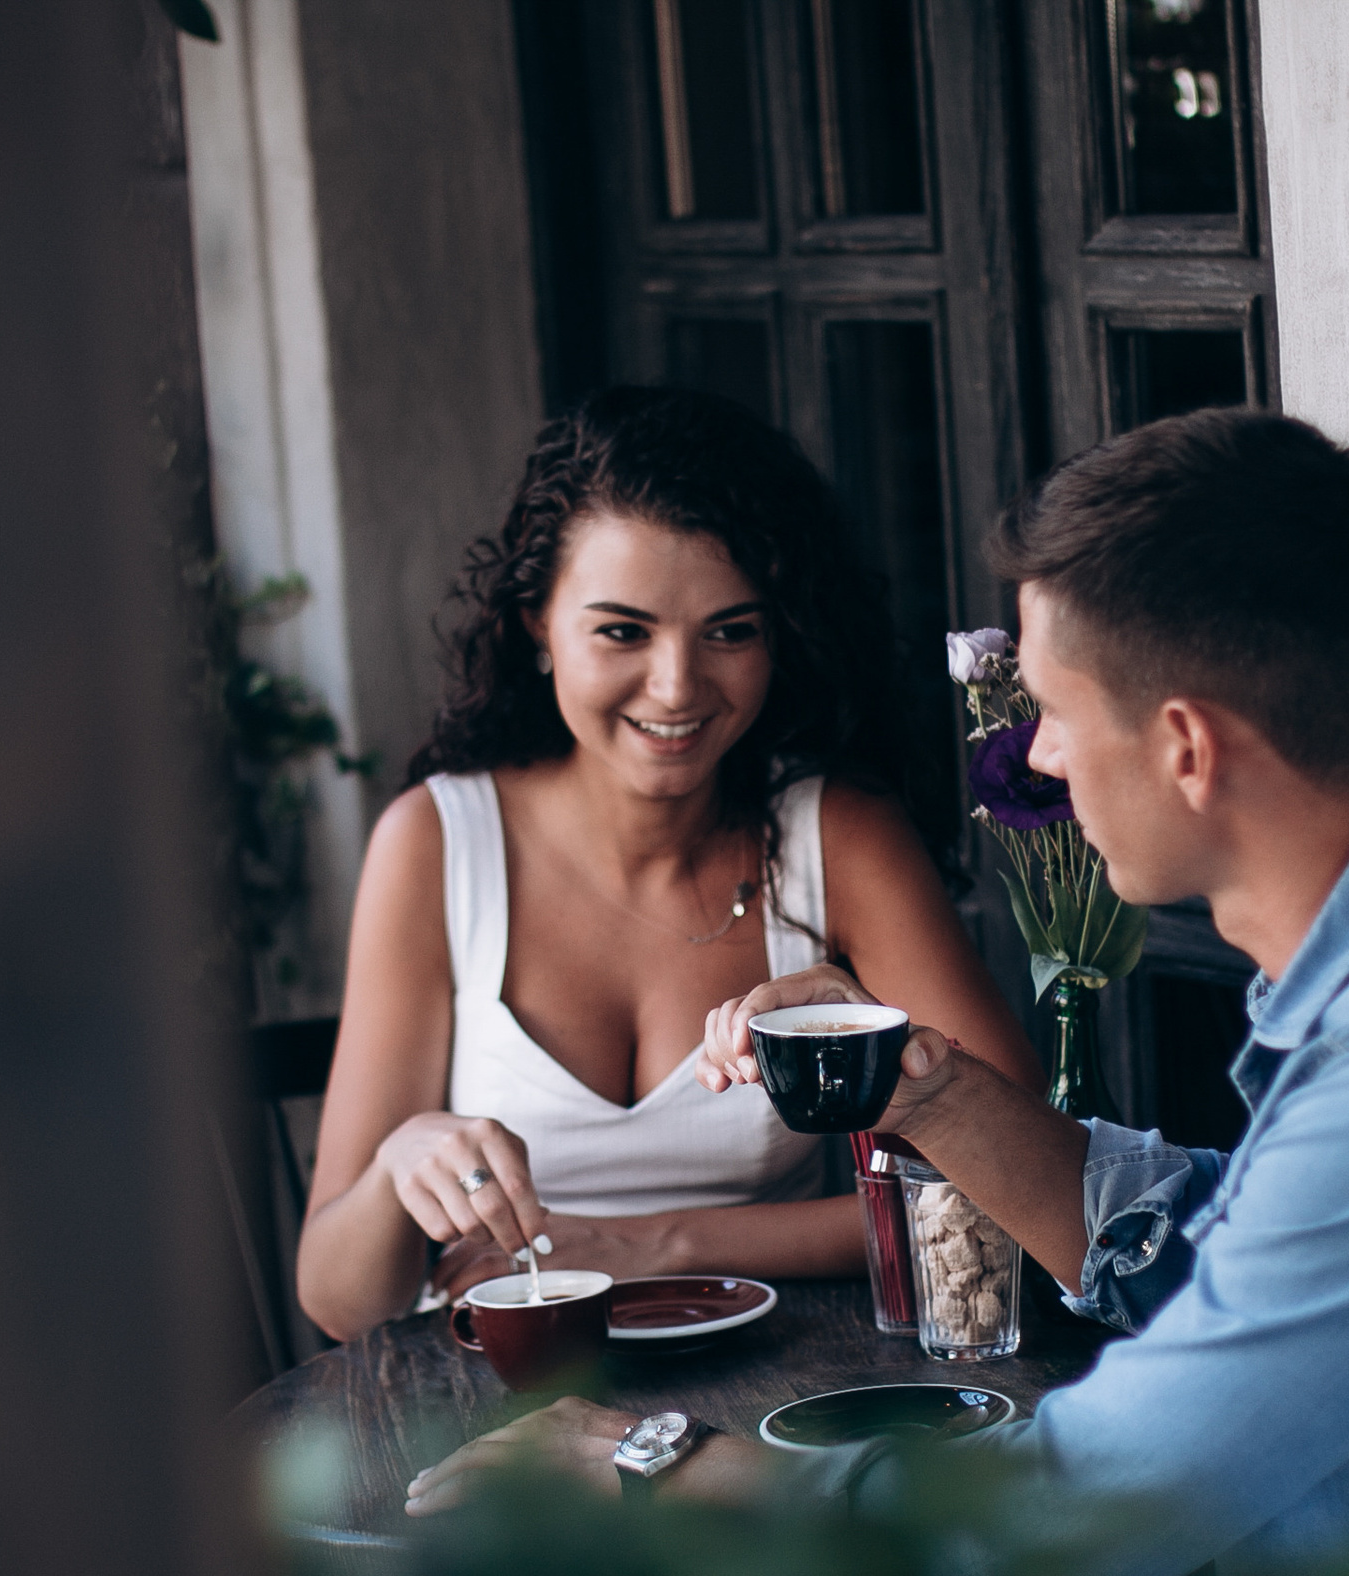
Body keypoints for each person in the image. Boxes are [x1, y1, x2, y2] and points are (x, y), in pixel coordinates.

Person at [402, 408, 1349, 1576]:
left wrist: (656, 1457)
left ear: (1187, 744)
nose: (1035, 752)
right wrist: (931, 1090)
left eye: (1057, 708)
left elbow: (1070, 1519)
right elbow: (1229, 1235)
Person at [299, 387, 1039, 1342]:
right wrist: (402, 1160)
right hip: (500, 1393)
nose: (678, 686)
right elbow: (336, 1297)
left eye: (731, 630)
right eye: (623, 631)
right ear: (536, 624)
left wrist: (651, 1243)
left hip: (780, 1375)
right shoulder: (436, 844)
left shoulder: (841, 838)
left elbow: (1020, 1181)